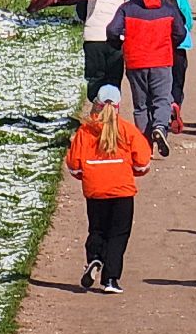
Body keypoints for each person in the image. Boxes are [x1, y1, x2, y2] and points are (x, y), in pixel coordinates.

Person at [64, 85, 152, 295]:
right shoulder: (127, 129)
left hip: (95, 190)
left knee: (97, 229)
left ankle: (94, 257)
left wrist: (85, 176)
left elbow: (74, 165)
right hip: (122, 190)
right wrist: (133, 172)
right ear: (119, 106)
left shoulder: (85, 132)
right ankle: (111, 278)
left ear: (96, 105)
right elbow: (142, 163)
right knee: (118, 234)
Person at [107, 0, 187, 156]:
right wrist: (169, 43)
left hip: (136, 62)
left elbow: (112, 30)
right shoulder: (167, 8)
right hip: (161, 60)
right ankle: (160, 126)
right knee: (161, 99)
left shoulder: (127, 8)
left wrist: (119, 43)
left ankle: (145, 146)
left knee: (141, 105)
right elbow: (180, 33)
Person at [143, 0, 194, 133]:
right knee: (177, 78)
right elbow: (186, 14)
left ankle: (157, 113)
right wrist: (187, 29)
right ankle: (175, 103)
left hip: (153, 43)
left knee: (155, 80)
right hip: (178, 42)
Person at [78, 0, 128, 102]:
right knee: (113, 77)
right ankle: (111, 110)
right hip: (115, 40)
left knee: (94, 77)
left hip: (93, 38)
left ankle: (96, 108)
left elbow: (81, 12)